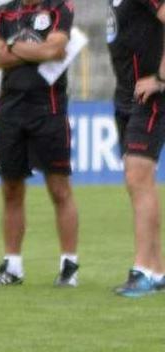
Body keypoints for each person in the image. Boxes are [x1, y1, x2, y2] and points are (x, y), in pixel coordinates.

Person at [0, 0, 79, 287]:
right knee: (11, 188)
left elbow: (55, 50)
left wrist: (12, 47)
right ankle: (12, 267)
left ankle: (69, 266)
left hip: (48, 111)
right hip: (10, 111)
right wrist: (36, 52)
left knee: (59, 188)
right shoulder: (4, 11)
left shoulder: (59, 8)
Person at [107, 0, 165, 296]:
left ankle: (141, 270)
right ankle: (156, 271)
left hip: (150, 98)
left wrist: (160, 79)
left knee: (138, 178)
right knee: (139, 183)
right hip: (126, 96)